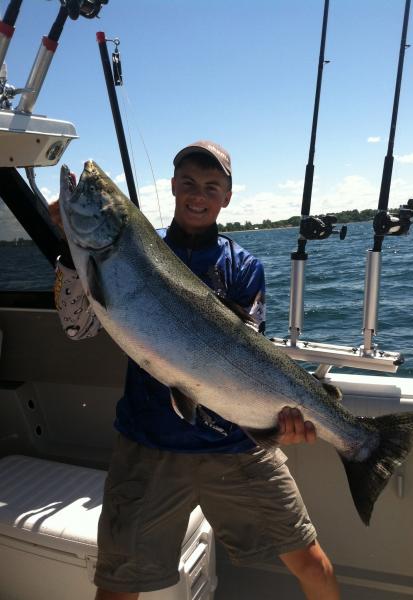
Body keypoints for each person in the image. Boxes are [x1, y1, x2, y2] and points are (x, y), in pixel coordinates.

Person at [52, 140, 340, 600]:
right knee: (117, 588)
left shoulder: (243, 267)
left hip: (235, 443)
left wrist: (277, 419)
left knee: (315, 567)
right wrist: (70, 251)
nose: (197, 194)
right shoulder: (130, 249)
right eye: (188, 182)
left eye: (211, 186)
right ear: (172, 186)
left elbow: (247, 358)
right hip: (148, 444)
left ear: (227, 196)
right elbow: (76, 327)